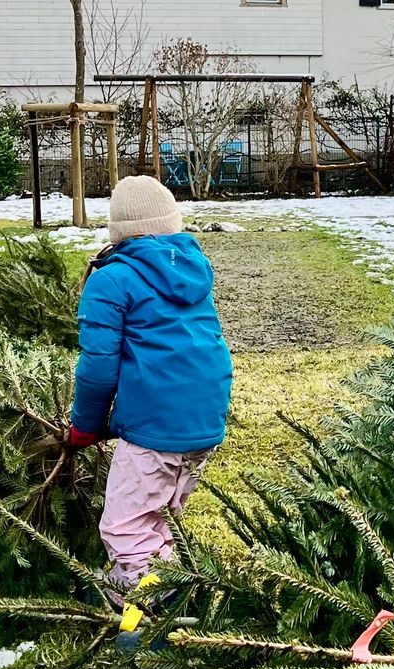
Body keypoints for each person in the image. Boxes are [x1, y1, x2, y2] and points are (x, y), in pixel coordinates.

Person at [68, 175, 233, 639]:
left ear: (118, 230)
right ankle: (131, 588)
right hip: (204, 417)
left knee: (124, 524)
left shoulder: (112, 279)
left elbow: (98, 368)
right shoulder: (193, 270)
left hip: (155, 427)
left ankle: (147, 619)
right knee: (156, 515)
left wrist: (85, 426)